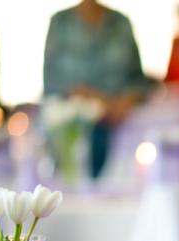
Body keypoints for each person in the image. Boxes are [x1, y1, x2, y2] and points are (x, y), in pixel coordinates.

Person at [43, 0, 150, 176]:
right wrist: (90, 98)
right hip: (71, 135)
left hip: (121, 136)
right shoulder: (60, 22)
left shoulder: (121, 23)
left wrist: (124, 102)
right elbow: (51, 83)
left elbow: (138, 80)